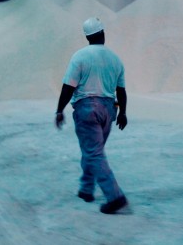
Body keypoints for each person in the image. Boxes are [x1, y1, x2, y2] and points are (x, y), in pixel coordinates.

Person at [55, 17, 129, 214]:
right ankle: (86, 189)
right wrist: (123, 112)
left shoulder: (79, 57)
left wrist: (59, 109)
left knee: (93, 152)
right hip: (108, 110)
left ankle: (115, 197)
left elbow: (68, 86)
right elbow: (121, 90)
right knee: (93, 150)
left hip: (87, 109)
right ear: (103, 34)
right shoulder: (115, 59)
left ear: (87, 37)